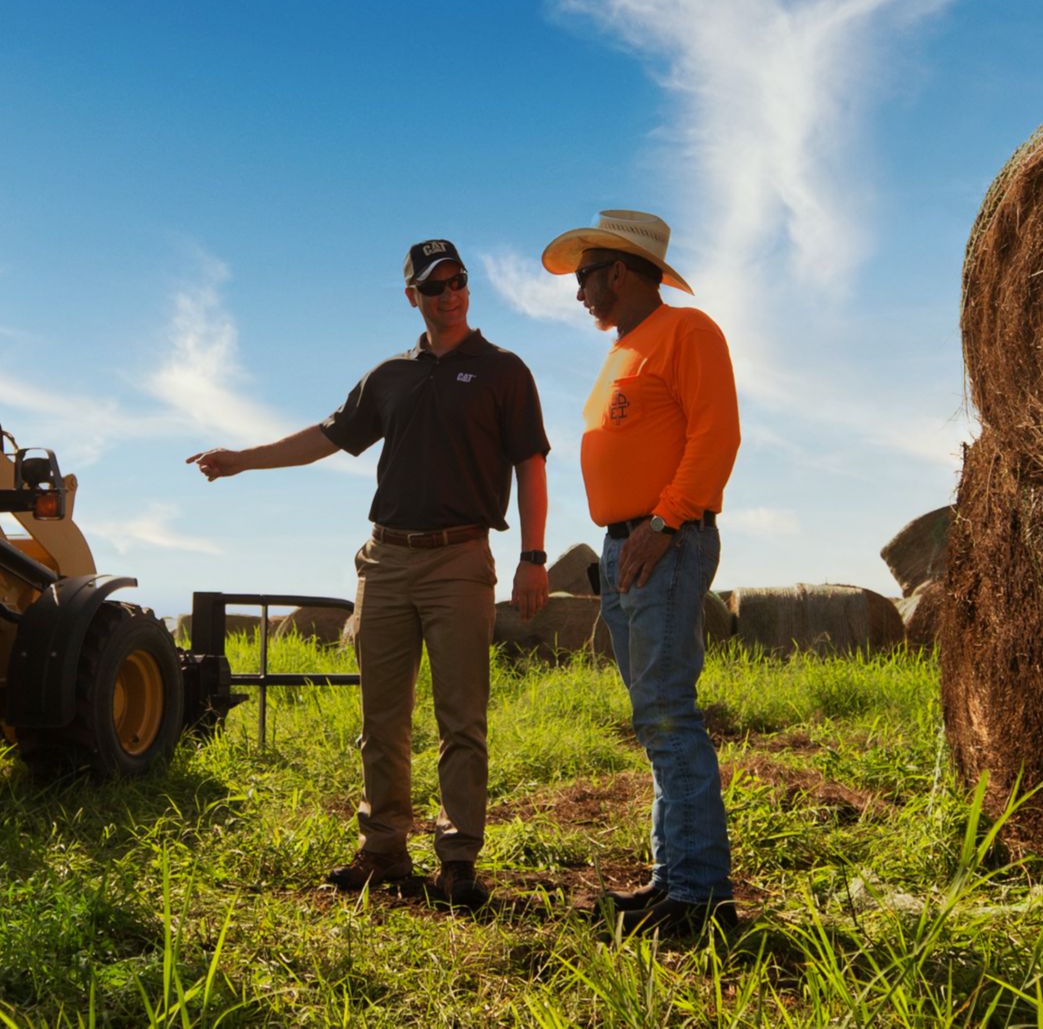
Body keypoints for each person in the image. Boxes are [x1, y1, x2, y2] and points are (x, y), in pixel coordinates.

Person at [188, 239, 551, 910]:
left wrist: (534, 557)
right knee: (380, 716)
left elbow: (532, 464)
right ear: (412, 295)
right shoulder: (390, 375)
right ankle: (383, 847)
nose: (450, 294)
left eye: (459, 282)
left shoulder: (503, 371)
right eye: (435, 286)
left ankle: (458, 859)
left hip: (461, 560)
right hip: (384, 561)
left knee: (461, 717)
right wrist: (242, 459)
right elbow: (325, 436)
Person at [541, 210, 742, 937]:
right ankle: (674, 879)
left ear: (618, 273)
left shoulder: (688, 332)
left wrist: (665, 520)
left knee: (667, 711)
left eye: (586, 278)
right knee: (653, 715)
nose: (580, 294)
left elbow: (717, 433)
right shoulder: (627, 347)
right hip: (627, 545)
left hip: (665, 539)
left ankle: (699, 895)